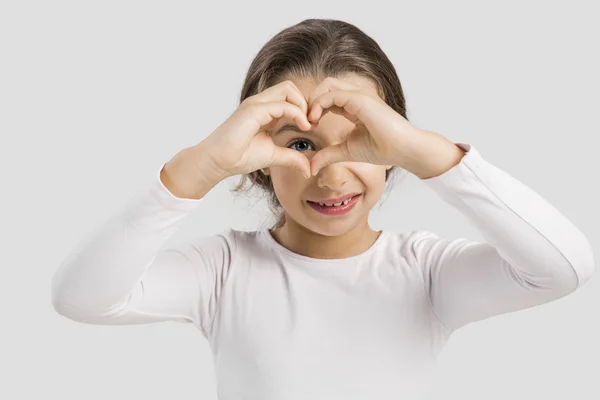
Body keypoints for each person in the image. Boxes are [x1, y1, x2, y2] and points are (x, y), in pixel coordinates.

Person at [50, 18, 595, 400]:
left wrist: (429, 153)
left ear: (392, 145)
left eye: (360, 140)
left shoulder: (427, 273)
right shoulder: (221, 271)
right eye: (301, 145)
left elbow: (563, 269)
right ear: (260, 159)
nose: (333, 175)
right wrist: (201, 166)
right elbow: (82, 297)